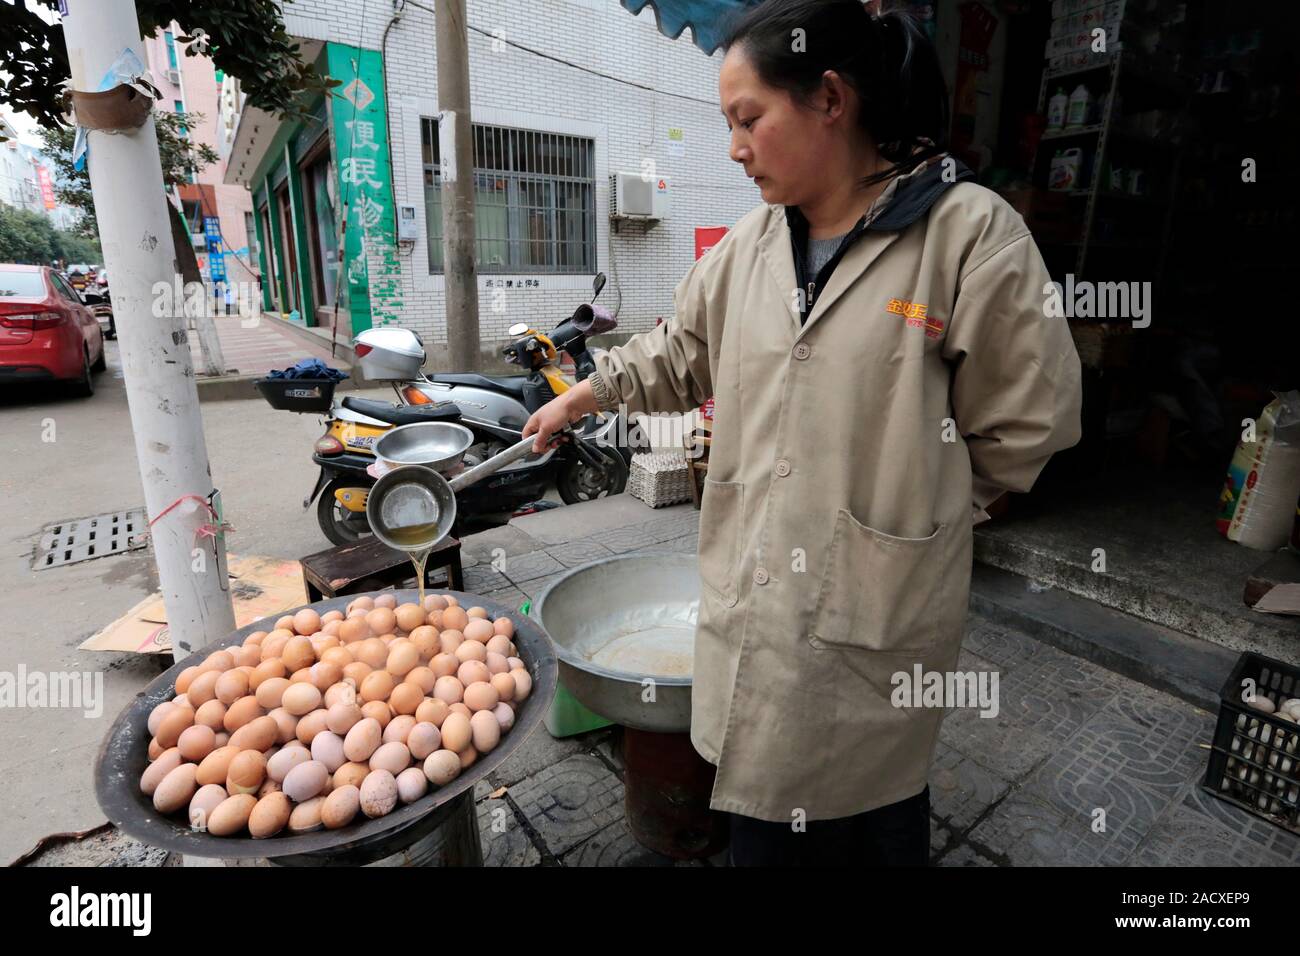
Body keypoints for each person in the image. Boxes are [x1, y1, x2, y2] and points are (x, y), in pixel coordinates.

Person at [523, 0, 1083, 866]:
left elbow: (1027, 422)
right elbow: (680, 352)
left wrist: (923, 514)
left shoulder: (967, 237)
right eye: (729, 124)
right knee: (761, 805)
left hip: (881, 616)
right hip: (754, 595)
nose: (736, 146)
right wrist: (581, 397)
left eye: (749, 119)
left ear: (829, 98)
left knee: (873, 812)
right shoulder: (749, 248)